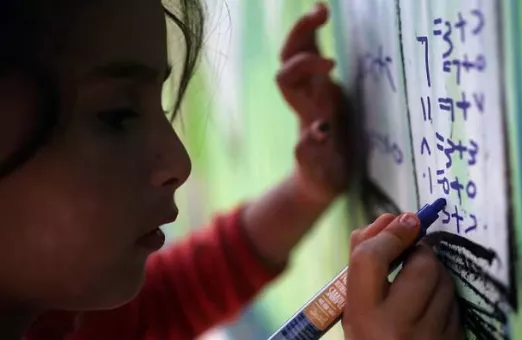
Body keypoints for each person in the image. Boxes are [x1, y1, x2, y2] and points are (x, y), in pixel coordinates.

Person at [0, 0, 461, 339]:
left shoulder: (62, 313)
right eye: (116, 115)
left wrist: (309, 189)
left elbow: (167, 303)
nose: (178, 162)